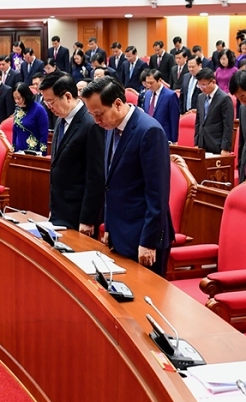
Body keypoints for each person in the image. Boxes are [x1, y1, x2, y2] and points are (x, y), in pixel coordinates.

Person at [81, 77, 172, 274]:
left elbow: (158, 194)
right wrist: (110, 230)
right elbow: (112, 184)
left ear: (118, 104)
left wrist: (149, 242)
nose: (96, 121)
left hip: (143, 238)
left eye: (99, 114)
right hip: (120, 233)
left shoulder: (149, 131)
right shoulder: (110, 127)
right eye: (92, 115)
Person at [37, 74, 104, 232]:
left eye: (50, 101)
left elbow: (96, 177)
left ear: (67, 96)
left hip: (78, 213)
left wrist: (87, 219)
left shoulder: (90, 124)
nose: (48, 107)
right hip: (60, 210)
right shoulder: (61, 119)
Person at [194, 68, 234, 155]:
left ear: (213, 82)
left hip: (217, 145)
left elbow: (228, 126)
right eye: (199, 85)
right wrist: (196, 142)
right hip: (202, 144)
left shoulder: (224, 98)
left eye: (204, 85)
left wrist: (225, 148)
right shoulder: (201, 97)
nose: (202, 88)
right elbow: (198, 122)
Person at [140, 69, 180, 143]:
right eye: (147, 83)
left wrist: (174, 140)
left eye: (151, 83)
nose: (149, 86)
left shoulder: (170, 95)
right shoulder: (147, 94)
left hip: (164, 136)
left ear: (160, 80)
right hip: (148, 135)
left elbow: (174, 119)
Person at [10, 82, 49, 155]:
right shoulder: (18, 109)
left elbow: (44, 134)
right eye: (14, 98)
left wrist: (42, 154)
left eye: (19, 98)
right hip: (19, 151)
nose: (17, 101)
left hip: (34, 153)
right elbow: (15, 131)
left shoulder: (39, 110)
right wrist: (13, 149)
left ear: (26, 96)